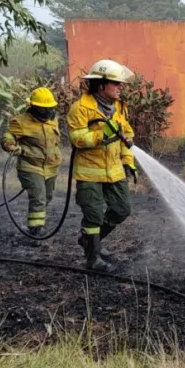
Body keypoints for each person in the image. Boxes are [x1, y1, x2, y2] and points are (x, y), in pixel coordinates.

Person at [67, 59, 138, 272]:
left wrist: (128, 162)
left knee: (121, 209)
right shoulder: (80, 108)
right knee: (94, 215)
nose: (121, 88)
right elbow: (77, 138)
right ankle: (93, 258)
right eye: (116, 84)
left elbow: (127, 136)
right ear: (101, 85)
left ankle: (89, 240)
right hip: (90, 172)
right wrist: (101, 135)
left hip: (114, 170)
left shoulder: (119, 108)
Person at [0, 87, 63, 242]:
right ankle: (35, 232)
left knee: (47, 196)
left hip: (51, 166)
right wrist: (9, 144)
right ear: (33, 107)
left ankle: (37, 223)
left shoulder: (53, 120)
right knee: (39, 197)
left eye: (50, 109)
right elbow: (8, 135)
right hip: (30, 165)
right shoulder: (20, 121)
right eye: (43, 109)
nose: (47, 112)